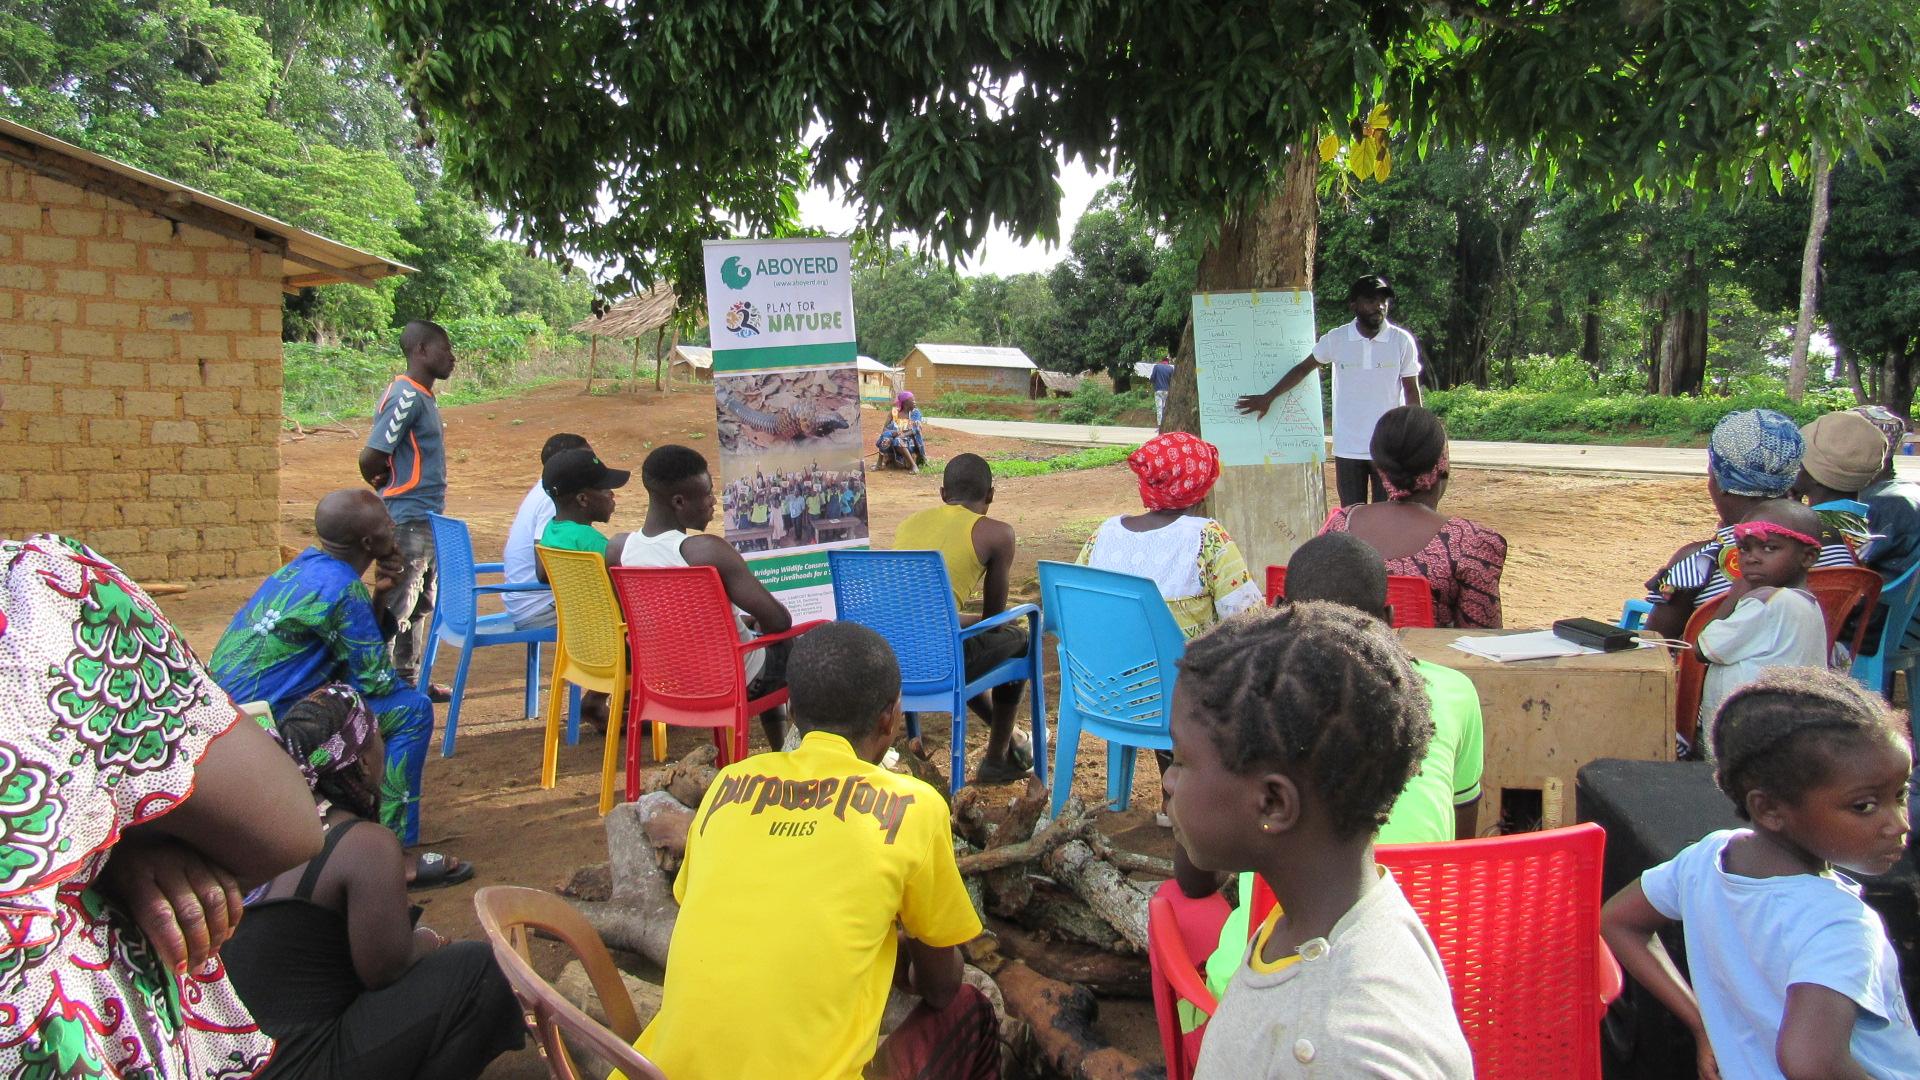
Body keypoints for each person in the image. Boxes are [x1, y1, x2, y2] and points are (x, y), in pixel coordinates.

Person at [2, 533, 323, 1078]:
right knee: (407, 710)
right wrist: (102, 844)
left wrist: (96, 842)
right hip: (66, 1047)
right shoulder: (39, 593)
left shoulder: (302, 575)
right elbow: (289, 829)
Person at [630, 622, 996, 1079]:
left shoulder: (728, 784)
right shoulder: (913, 808)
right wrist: (899, 951)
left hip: (659, 1070)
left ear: (790, 710)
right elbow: (941, 986)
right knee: (970, 1009)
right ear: (889, 717)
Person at [1167, 603, 1473, 1078]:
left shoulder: (1345, 1049)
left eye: (1181, 761)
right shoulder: (1315, 921)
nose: (1169, 781)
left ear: (1273, 803)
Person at [1186, 533, 1486, 999]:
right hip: (1426, 973)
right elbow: (1460, 845)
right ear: (1389, 620)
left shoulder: (1255, 709)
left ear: (1279, 610)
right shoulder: (1452, 692)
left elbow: (1193, 879)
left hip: (1265, 988)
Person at [1601, 669, 1920, 1080]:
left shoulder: (1705, 860)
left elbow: (1617, 921)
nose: (1899, 823)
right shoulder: (1840, 924)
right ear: (1769, 809)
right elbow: (1809, 1061)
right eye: (1864, 806)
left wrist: (1701, 1023)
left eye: (1900, 794)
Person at [223, 686, 525, 1080]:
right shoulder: (363, 843)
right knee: (479, 969)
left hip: (241, 1062)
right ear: (364, 763)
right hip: (300, 1065)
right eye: (379, 736)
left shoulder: (266, 834)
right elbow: (386, 969)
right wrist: (430, 941)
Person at [210, 490, 461, 881]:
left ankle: (344, 815)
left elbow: (347, 654)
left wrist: (380, 597)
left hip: (233, 721)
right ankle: (393, 851)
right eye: (386, 523)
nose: (394, 525)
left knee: (358, 700)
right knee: (411, 710)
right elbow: (376, 681)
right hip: (272, 726)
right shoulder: (343, 590)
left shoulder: (305, 568)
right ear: (368, 542)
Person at [1075, 432, 1262, 824]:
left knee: (1159, 659)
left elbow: (1076, 609)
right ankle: (1195, 795)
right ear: (1200, 484)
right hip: (1183, 697)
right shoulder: (1207, 538)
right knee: (1230, 663)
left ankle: (1168, 792)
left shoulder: (1103, 535)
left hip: (1106, 692)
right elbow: (1247, 617)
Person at [607, 445, 800, 751]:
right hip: (736, 684)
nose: (714, 501)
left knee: (763, 639)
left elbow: (650, 620)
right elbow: (779, 621)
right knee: (804, 648)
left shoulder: (618, 550)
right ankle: (792, 754)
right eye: (708, 493)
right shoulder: (706, 551)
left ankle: (781, 749)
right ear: (679, 501)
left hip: (666, 685)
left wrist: (733, 619)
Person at [1643, 408, 1860, 641]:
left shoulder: (1700, 560)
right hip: (1813, 660)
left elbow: (1652, 642)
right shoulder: (1832, 539)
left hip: (1720, 664)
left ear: (1721, 483)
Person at [894, 453, 1034, 784]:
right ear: (990, 495)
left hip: (893, 658)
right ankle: (996, 759)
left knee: (962, 646)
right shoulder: (997, 534)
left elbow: (919, 612)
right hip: (942, 662)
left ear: (943, 494)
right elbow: (994, 622)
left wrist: (967, 619)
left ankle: (1013, 738)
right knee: (1019, 640)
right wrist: (994, 620)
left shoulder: (908, 525)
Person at [1235, 275, 1422, 507]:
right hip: (1348, 448)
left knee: (1386, 514)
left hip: (1388, 448)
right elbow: (1303, 369)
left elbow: (1411, 390)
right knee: (1350, 514)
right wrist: (1268, 397)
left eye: (1384, 300)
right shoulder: (1337, 339)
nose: (1379, 306)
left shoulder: (1401, 341)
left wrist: (1416, 435)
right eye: (1371, 300)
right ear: (1353, 304)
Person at [1318, 405, 1507, 628]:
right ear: (1442, 463)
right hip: (1430, 653)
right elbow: (1482, 638)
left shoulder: (1339, 525)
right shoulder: (1472, 542)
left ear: (1380, 466)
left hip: (1345, 651)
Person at [358, 320, 456, 701]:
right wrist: (384, 484)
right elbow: (372, 456)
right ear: (421, 350)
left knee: (420, 602)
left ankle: (408, 679)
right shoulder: (406, 397)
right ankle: (374, 689)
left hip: (426, 518)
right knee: (396, 603)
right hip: (407, 518)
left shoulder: (422, 396)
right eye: (445, 348)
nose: (452, 357)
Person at [1694, 500, 1830, 754]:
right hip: (1789, 731)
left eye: (1769, 548)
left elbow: (1703, 648)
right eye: (1744, 549)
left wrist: (1737, 591)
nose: (1752, 558)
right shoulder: (1808, 604)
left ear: (1808, 557)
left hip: (1748, 734)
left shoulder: (1766, 603)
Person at [501, 432, 591, 630]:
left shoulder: (545, 490)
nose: (594, 466)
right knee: (625, 616)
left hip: (527, 602)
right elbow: (544, 567)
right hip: (539, 607)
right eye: (586, 461)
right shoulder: (554, 499)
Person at [534, 447, 631, 565]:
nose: (612, 494)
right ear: (582, 499)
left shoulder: (550, 530)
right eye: (604, 488)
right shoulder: (591, 542)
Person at [877, 391, 927, 471]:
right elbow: (885, 428)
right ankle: (879, 464)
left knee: (898, 440)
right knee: (885, 437)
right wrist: (893, 433)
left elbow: (916, 429)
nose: (915, 402)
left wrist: (903, 435)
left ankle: (913, 466)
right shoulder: (894, 412)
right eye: (912, 400)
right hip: (892, 438)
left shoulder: (915, 413)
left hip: (910, 442)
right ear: (905, 402)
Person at [1151, 353, 1175, 427]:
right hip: (1167, 391)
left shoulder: (1157, 367)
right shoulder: (1171, 368)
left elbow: (1152, 378)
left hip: (1158, 390)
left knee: (1159, 408)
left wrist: (1153, 383)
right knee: (1165, 408)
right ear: (1168, 362)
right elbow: (1172, 381)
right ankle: (1166, 425)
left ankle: (1160, 425)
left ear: (1161, 361)